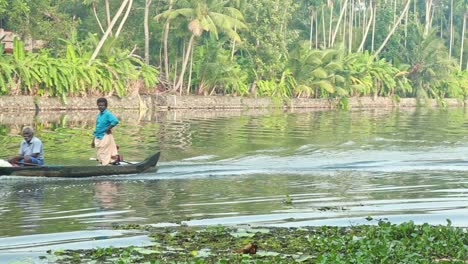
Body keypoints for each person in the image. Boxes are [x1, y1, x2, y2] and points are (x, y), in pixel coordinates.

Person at [91, 98, 120, 165]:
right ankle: (108, 164)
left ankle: (105, 167)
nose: (100, 107)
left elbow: (115, 121)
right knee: (99, 154)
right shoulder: (99, 115)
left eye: (102, 105)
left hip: (105, 136)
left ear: (106, 106)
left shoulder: (107, 114)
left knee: (103, 153)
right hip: (98, 137)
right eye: (99, 105)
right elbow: (97, 128)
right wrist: (93, 141)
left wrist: (108, 129)